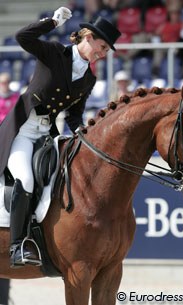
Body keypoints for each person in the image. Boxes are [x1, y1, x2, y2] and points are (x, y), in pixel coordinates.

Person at [0, 7, 121, 268]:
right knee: (25, 179)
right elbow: (23, 37)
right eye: (101, 47)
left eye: (106, 51)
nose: (102, 53)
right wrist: (52, 22)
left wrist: (83, 134)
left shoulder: (89, 78)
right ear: (87, 37)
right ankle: (17, 246)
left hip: (47, 135)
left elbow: (74, 115)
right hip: (23, 130)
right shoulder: (55, 52)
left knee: (64, 182)